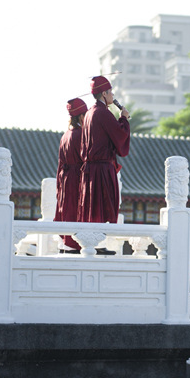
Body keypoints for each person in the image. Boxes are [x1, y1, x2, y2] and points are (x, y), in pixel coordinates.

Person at [79, 75, 130, 231]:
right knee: (103, 207)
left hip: (90, 169)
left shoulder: (89, 113)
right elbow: (119, 135)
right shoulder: (103, 113)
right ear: (104, 94)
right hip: (102, 168)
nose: (113, 96)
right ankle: (99, 243)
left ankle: (94, 242)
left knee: (92, 207)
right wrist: (124, 119)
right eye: (111, 92)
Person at [55, 98, 87, 253]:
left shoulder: (65, 135)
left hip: (66, 178)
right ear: (82, 116)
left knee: (67, 209)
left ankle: (67, 242)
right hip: (78, 178)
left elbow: (60, 163)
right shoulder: (82, 134)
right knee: (77, 210)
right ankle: (74, 244)